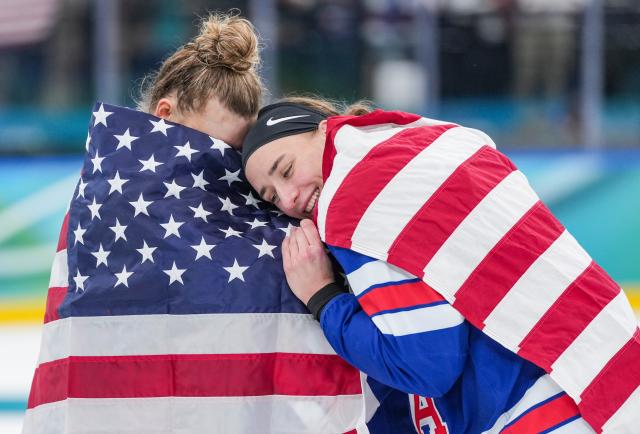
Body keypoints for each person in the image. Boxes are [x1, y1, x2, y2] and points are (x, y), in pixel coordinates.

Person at [242, 97, 639, 433]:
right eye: (272, 196)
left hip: (548, 409)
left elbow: (427, 364)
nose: (290, 199)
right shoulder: (436, 137)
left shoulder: (350, 203)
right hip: (614, 362)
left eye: (287, 170)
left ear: (324, 130)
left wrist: (323, 298)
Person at [136, 12, 263, 148]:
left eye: (236, 153)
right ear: (165, 114)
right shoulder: (110, 164)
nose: (225, 165)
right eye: (207, 146)